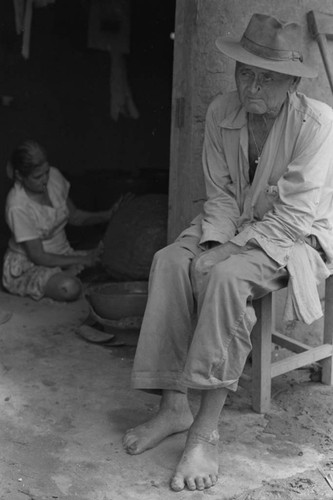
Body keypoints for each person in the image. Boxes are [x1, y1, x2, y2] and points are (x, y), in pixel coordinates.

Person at [122, 13, 333, 492]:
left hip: (295, 236)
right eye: (245, 72)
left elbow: (297, 216)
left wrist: (225, 255)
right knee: (171, 260)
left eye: (267, 76)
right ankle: (173, 406)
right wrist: (215, 242)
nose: (251, 85)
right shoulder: (222, 111)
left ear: (290, 82)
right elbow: (218, 195)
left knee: (226, 278)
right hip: (234, 222)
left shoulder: (317, 122)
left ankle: (205, 431)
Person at [2, 140, 126, 302]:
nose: (45, 179)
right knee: (69, 287)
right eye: (37, 177)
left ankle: (71, 275)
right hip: (31, 265)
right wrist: (83, 260)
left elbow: (74, 216)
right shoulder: (17, 205)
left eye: (46, 171)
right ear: (19, 175)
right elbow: (38, 256)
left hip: (64, 255)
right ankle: (65, 279)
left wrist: (108, 215)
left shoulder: (54, 176)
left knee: (115, 264)